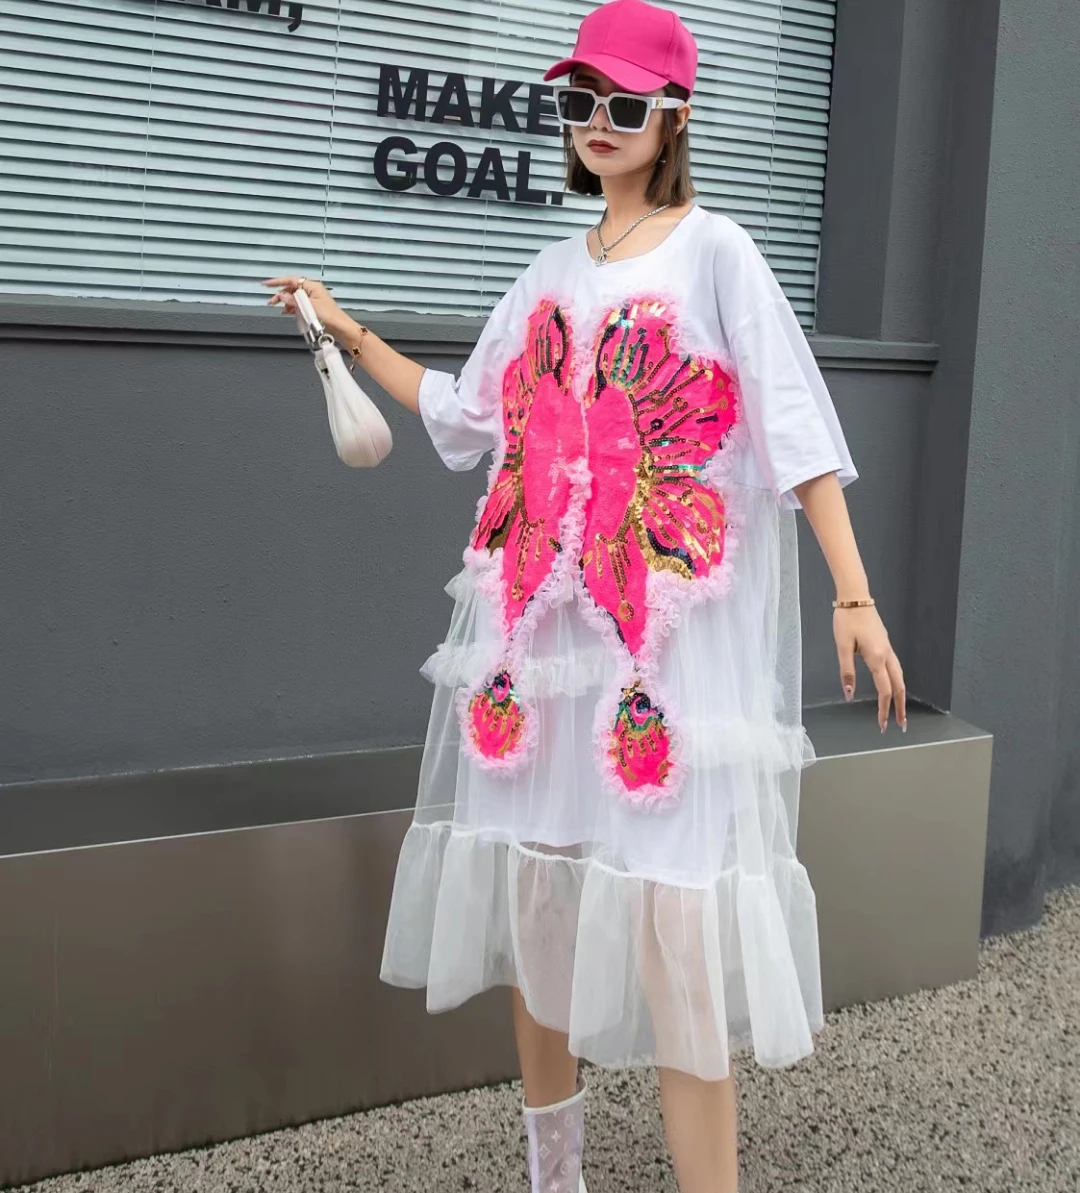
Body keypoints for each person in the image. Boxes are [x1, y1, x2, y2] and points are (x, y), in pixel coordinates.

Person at [264, 2, 906, 1189]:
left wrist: (852, 592)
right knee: (544, 906)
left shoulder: (717, 250)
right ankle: (551, 1175)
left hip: (663, 655)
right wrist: (346, 328)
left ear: (673, 118)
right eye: (577, 102)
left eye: (619, 103)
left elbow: (793, 428)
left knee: (676, 934)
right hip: (548, 640)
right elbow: (469, 419)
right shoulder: (552, 269)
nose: (595, 124)